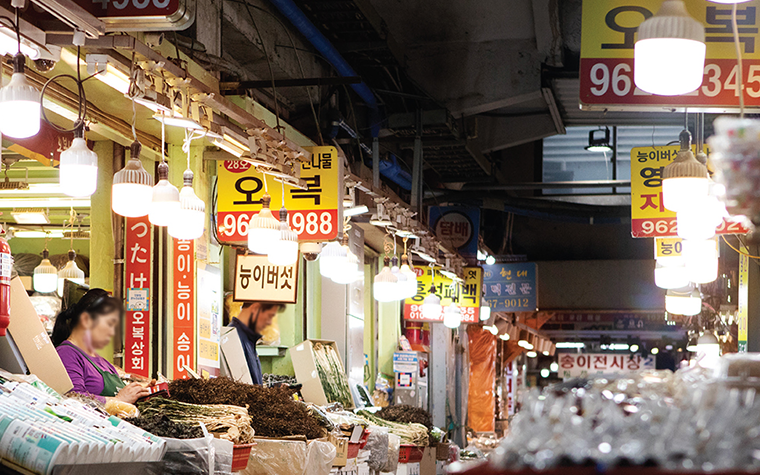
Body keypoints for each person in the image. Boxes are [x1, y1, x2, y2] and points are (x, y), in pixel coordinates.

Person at [52, 289, 150, 404]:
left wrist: (142, 393)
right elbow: (72, 399)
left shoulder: (103, 362)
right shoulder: (66, 354)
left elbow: (123, 397)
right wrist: (118, 400)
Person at [228, 301, 283, 385]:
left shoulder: (248, 340)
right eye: (269, 316)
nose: (269, 322)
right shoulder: (233, 340)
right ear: (256, 309)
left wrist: (275, 390)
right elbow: (241, 393)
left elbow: (253, 387)